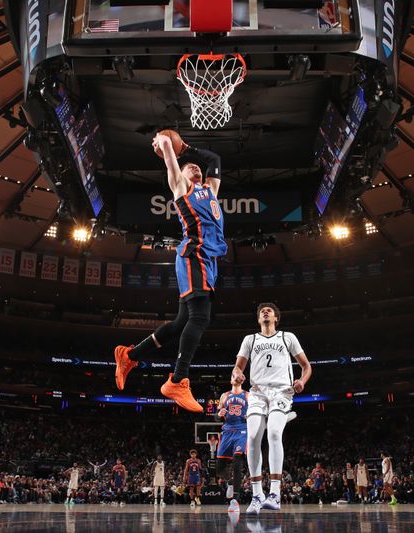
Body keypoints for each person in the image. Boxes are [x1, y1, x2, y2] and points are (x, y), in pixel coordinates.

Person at [114, 133, 226, 413]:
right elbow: (168, 153)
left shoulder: (210, 191)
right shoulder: (180, 187)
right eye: (189, 166)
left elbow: (215, 159)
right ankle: (177, 379)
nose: (195, 167)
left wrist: (188, 148)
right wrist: (164, 142)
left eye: (196, 167)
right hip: (194, 253)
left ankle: (130, 356)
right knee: (200, 317)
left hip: (208, 259)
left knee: (181, 322)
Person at [232, 303, 313, 514]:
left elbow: (306, 366)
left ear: (276, 318)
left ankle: (275, 493)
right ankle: (257, 495)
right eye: (262, 311)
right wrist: (237, 375)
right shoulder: (250, 339)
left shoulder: (288, 337)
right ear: (259, 319)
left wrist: (302, 381)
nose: (265, 312)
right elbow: (237, 367)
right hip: (258, 392)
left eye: (269, 311)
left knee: (275, 434)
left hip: (281, 391)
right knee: (252, 438)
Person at [216, 376, 248, 513]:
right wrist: (218, 414)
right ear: (230, 380)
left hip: (242, 429)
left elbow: (256, 412)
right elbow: (216, 417)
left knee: (237, 463)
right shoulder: (224, 395)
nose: (236, 378)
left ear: (243, 379)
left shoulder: (248, 395)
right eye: (233, 376)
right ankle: (229, 482)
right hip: (227, 430)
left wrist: (250, 415)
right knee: (219, 468)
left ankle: (235, 500)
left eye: (238, 376)